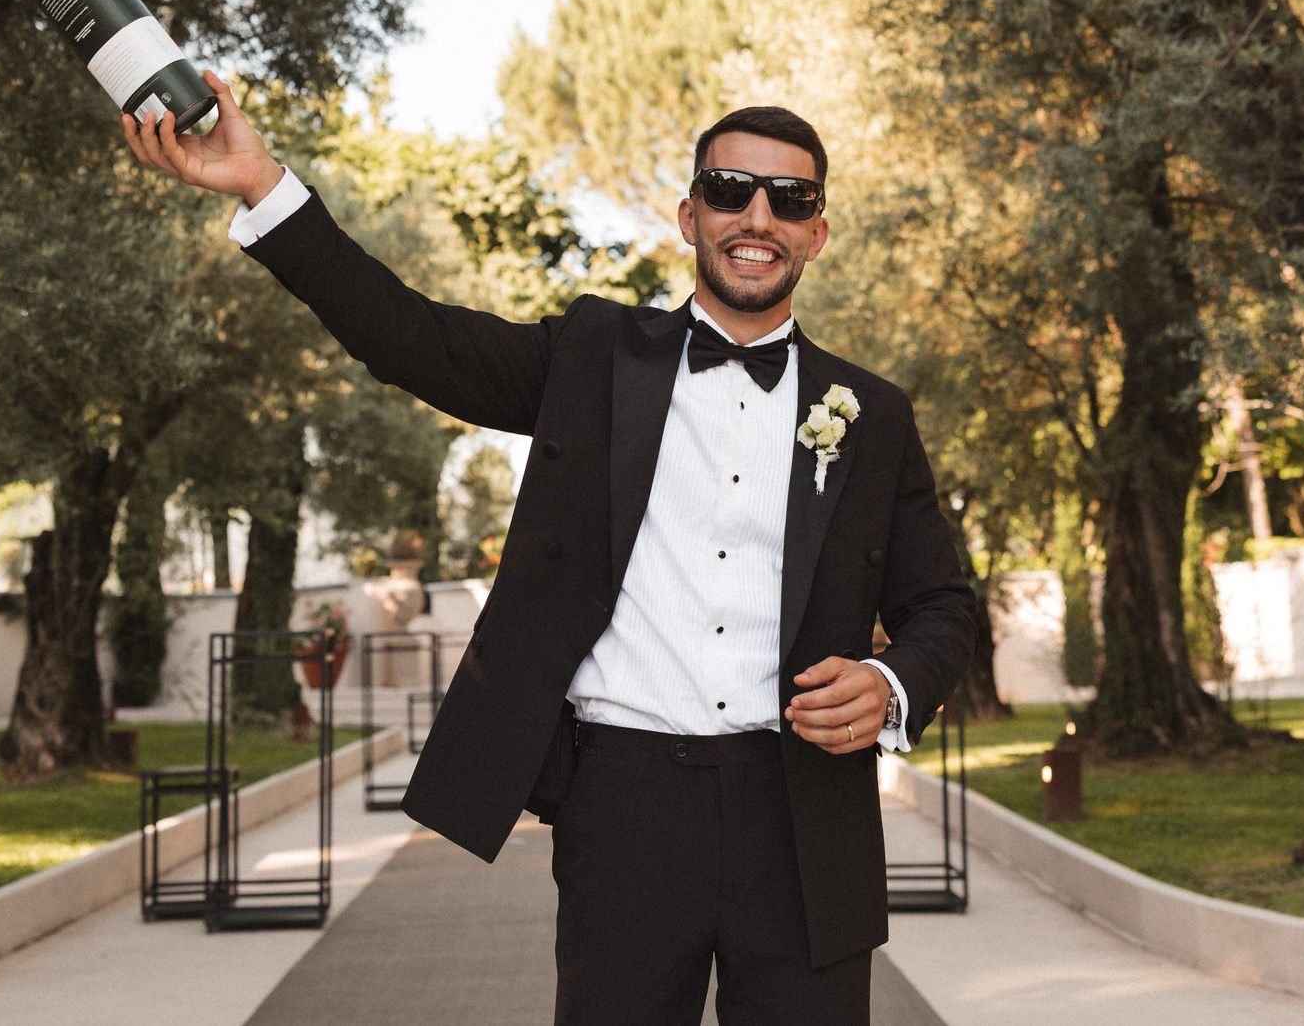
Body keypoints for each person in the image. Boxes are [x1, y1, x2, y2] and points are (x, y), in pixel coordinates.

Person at [126, 78, 977, 1026]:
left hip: (808, 816)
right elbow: (411, 338)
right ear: (690, 215)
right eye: (730, 189)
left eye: (791, 199)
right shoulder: (595, 354)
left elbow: (944, 605)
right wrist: (265, 186)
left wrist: (892, 684)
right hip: (625, 807)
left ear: (817, 233)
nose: (758, 217)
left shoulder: (873, 414)